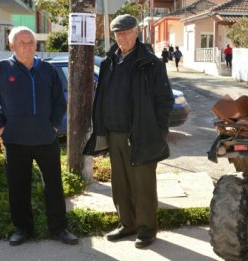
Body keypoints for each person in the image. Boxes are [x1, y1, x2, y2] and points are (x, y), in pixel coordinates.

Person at [0, 26, 78, 246]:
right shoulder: (1, 69)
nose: (28, 46)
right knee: (18, 187)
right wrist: (1, 127)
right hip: (15, 141)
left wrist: (53, 126)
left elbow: (59, 102)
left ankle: (59, 228)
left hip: (46, 139)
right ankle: (23, 229)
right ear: (12, 45)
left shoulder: (48, 70)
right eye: (23, 42)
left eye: (31, 42)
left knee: (53, 185)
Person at [83, 14, 174, 248]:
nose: (122, 37)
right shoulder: (108, 62)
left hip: (142, 134)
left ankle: (146, 229)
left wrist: (158, 129)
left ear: (136, 32)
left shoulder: (151, 63)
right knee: (120, 182)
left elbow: (165, 100)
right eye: (118, 33)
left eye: (126, 32)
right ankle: (127, 224)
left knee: (142, 184)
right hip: (114, 134)